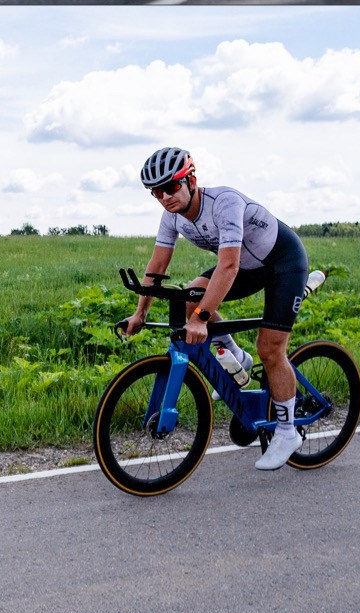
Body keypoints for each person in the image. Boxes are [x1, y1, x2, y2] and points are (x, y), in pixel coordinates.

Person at [123, 146, 316, 472]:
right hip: (245, 267)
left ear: (191, 180)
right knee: (187, 299)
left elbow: (227, 266)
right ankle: (235, 357)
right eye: (157, 192)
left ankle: (286, 432)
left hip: (283, 263)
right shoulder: (172, 217)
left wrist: (201, 319)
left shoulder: (223, 203)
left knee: (270, 349)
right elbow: (157, 266)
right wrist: (140, 313)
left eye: (171, 187)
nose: (165, 197)